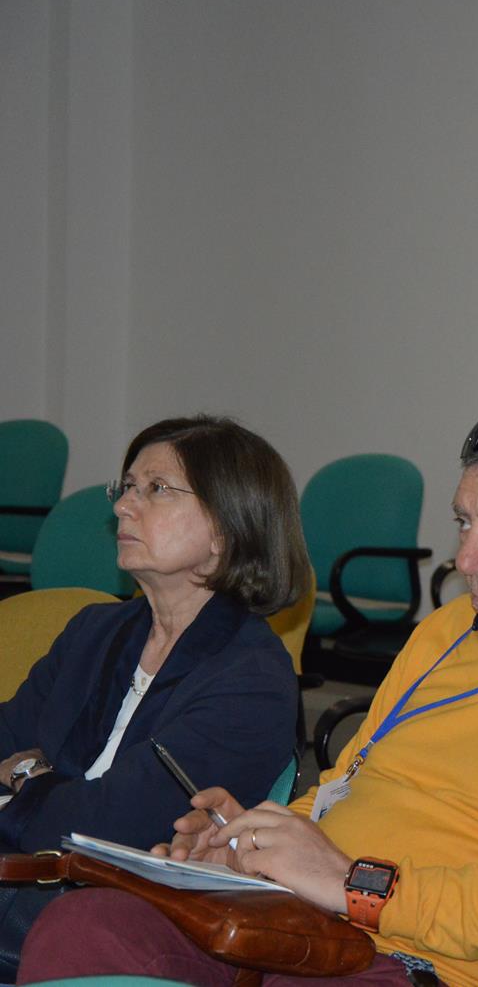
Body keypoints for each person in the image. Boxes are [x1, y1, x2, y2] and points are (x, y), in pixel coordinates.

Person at [20, 407, 478, 987]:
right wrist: (255, 839)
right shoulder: (451, 629)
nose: (468, 558)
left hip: (426, 965)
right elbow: (350, 782)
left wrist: (356, 885)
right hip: (302, 924)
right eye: (464, 523)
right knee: (86, 926)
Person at [0, 415, 306, 973]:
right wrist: (41, 785)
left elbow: (112, 828)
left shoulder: (252, 680)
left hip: (127, 914)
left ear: (225, 529)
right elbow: (5, 734)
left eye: (156, 489)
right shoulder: (94, 630)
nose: (122, 506)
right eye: (127, 487)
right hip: (31, 877)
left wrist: (26, 774)